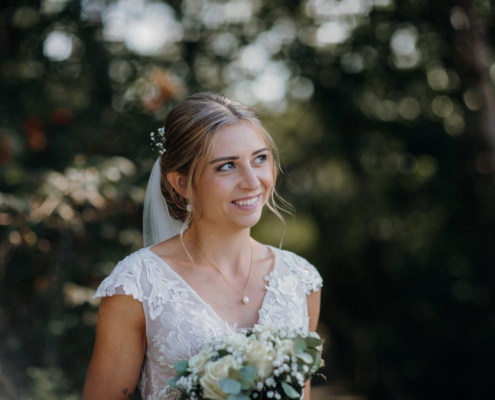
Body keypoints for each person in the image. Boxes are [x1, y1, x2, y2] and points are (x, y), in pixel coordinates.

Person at [82, 92, 323, 400]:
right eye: (227, 166)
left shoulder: (301, 280)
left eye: (259, 159)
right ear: (181, 183)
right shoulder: (137, 286)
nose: (252, 181)